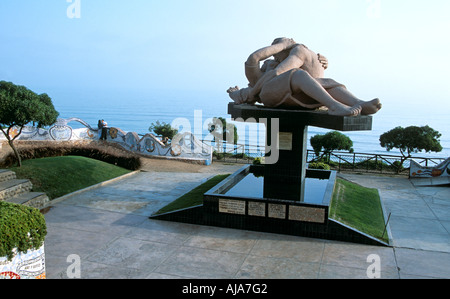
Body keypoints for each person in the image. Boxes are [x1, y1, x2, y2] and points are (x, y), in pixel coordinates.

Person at [228, 37, 381, 116]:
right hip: (269, 95)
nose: (275, 58)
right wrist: (281, 46)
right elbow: (254, 58)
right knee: (298, 74)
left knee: (327, 82)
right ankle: (334, 106)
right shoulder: (262, 69)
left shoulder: (283, 63)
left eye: (277, 55)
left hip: (290, 93)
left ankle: (359, 103)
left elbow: (299, 71)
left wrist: (320, 61)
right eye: (274, 54)